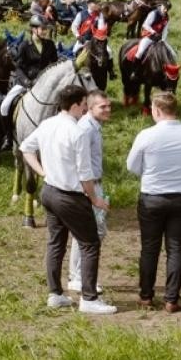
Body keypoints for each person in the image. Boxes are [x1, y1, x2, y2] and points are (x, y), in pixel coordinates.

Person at [21, 84, 115, 314]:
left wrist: (42, 171)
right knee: (90, 244)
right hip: (71, 196)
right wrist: (95, 200)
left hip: (49, 192)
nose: (85, 109)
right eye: (84, 105)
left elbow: (25, 148)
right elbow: (85, 174)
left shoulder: (47, 124)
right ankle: (89, 299)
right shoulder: (77, 132)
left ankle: (56, 294)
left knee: (55, 244)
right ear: (75, 105)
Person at [127, 92, 181, 311]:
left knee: (149, 248)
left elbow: (132, 166)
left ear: (157, 110)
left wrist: (150, 171)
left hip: (152, 196)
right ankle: (172, 299)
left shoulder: (146, 135)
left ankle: (146, 296)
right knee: (176, 247)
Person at [67, 91, 112, 295]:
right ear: (90, 107)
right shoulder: (86, 129)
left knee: (91, 232)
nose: (108, 109)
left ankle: (77, 275)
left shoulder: (93, 126)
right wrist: (91, 193)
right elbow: (80, 163)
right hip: (89, 185)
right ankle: (77, 277)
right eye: (103, 106)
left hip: (94, 183)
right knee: (89, 233)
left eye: (108, 106)